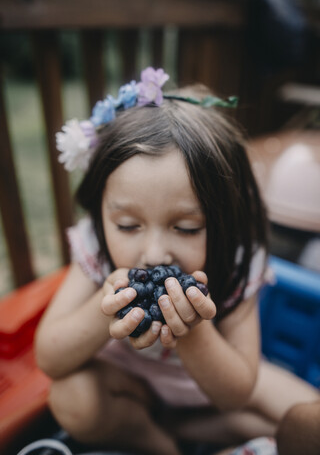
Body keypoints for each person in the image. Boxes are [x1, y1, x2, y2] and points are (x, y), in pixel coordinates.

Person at [35, 67, 319, 455]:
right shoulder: (96, 250)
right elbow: (49, 357)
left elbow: (236, 392)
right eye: (128, 225)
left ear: (223, 222)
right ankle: (160, 443)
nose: (154, 253)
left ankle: (186, 428)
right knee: (71, 398)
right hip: (126, 384)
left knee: (309, 420)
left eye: (186, 228)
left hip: (205, 388)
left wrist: (193, 331)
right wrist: (105, 310)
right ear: (101, 213)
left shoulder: (237, 261)